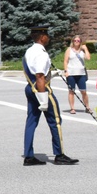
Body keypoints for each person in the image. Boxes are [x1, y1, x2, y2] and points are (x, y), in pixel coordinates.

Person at [23, 25, 78, 166]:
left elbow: (34, 73)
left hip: (31, 87)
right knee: (55, 122)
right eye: (46, 35)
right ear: (42, 37)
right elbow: (40, 76)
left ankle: (28, 156)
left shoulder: (29, 51)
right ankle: (59, 154)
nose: (48, 37)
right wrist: (43, 99)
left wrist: (52, 74)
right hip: (42, 89)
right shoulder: (42, 53)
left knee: (31, 122)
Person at [63, 36, 91, 115]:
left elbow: (88, 58)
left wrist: (85, 49)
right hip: (71, 73)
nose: (76, 42)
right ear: (72, 41)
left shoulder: (82, 50)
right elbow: (65, 61)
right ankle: (72, 108)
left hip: (81, 73)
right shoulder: (69, 50)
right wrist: (66, 71)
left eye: (78, 40)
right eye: (75, 40)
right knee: (71, 91)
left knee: (83, 91)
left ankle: (87, 107)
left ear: (80, 42)